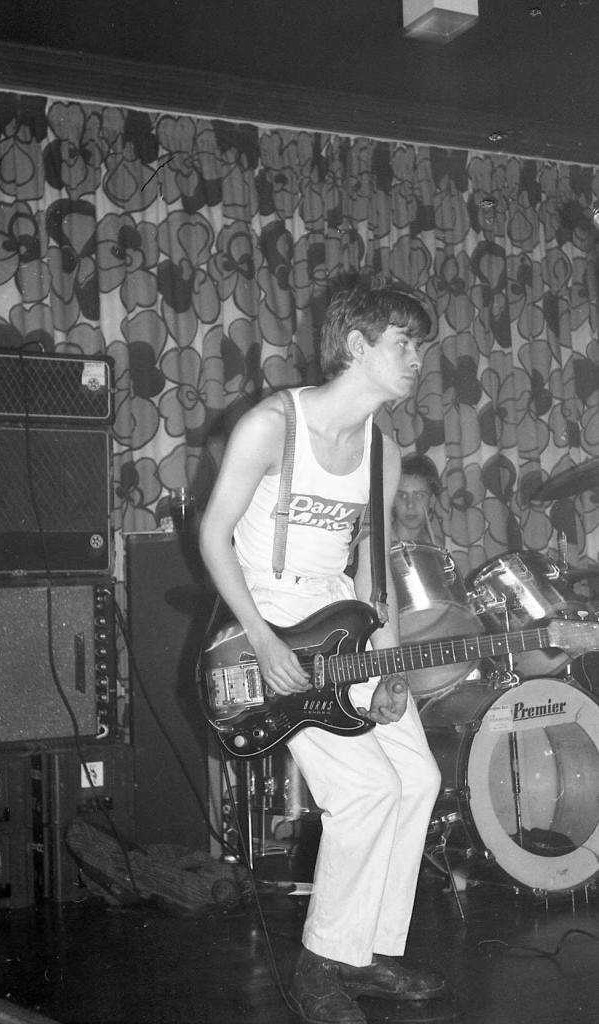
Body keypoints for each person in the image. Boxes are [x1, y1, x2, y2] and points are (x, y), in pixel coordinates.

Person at [199, 278, 444, 1024]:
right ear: (357, 346)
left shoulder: (383, 451)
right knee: (365, 792)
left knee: (418, 778)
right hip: (268, 614)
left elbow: (373, 573)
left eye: (422, 346)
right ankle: (320, 967)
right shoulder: (271, 425)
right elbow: (212, 536)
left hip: (342, 615)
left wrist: (389, 666)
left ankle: (365, 953)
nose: (418, 359)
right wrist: (262, 636)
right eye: (404, 343)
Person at [391, 453, 443, 546]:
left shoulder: (436, 547)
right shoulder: (379, 545)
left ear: (432, 501)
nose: (410, 505)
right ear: (392, 500)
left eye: (419, 496)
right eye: (402, 495)